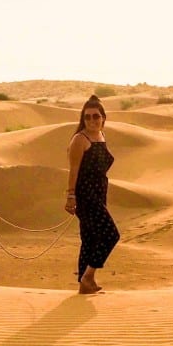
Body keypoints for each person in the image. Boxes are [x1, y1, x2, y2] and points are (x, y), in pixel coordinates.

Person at [64, 96, 119, 294]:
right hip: (85, 195)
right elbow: (73, 170)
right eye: (87, 117)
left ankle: (84, 284)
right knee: (110, 234)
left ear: (103, 118)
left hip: (98, 193)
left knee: (90, 238)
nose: (92, 120)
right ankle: (88, 276)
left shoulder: (100, 136)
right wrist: (71, 196)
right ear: (83, 119)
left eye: (96, 116)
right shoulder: (80, 139)